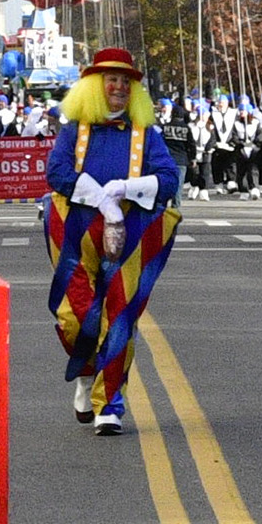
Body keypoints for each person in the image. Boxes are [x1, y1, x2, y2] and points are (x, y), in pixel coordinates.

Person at [44, 44, 183, 436]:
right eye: (111, 80)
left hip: (132, 236)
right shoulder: (74, 131)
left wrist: (127, 188)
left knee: (119, 317)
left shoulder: (145, 134)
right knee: (73, 317)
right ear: (94, 85)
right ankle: (87, 372)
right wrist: (100, 199)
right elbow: (56, 174)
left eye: (125, 81)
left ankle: (110, 405)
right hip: (77, 234)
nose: (119, 87)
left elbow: (169, 178)